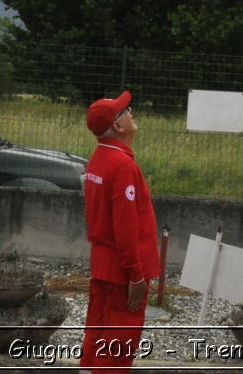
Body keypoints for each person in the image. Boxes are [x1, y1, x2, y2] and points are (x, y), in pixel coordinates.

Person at [82, 90, 160, 372]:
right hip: (122, 272)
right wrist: (136, 275)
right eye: (125, 111)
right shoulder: (122, 165)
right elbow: (125, 228)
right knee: (118, 342)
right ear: (117, 125)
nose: (131, 112)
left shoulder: (99, 159)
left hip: (103, 265)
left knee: (97, 332)